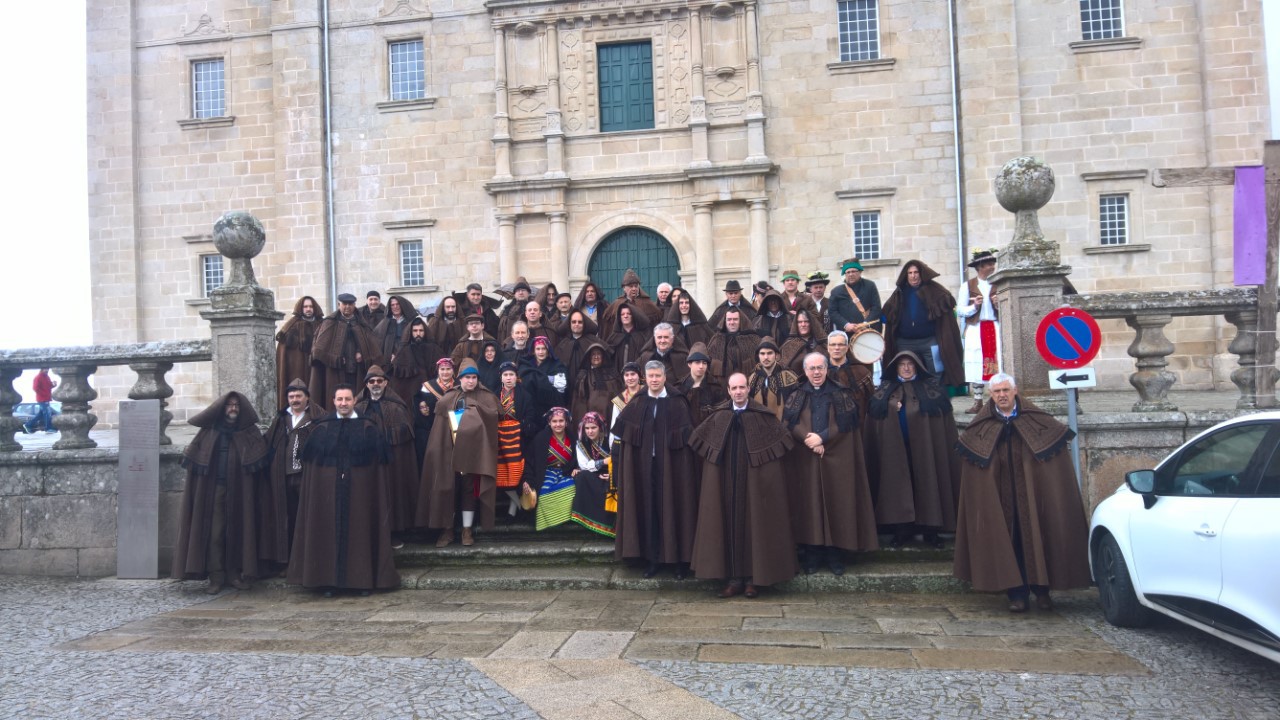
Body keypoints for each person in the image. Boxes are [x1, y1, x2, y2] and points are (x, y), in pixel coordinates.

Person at [952, 373, 1092, 613]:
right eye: (997, 392)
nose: (1002, 395)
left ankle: (1043, 592)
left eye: (1006, 390)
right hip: (1002, 499)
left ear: (1015, 391)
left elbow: (1052, 464)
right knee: (1010, 543)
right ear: (990, 395)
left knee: (1039, 537)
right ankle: (1016, 595)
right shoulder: (981, 426)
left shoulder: (1037, 420)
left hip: (1033, 496)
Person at [689, 372, 797, 598]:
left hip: (752, 484)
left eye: (742, 387)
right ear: (728, 391)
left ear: (748, 389)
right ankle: (733, 579)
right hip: (726, 483)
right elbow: (700, 441)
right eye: (734, 388)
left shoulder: (763, 416)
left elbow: (782, 443)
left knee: (753, 526)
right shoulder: (719, 416)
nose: (738, 392)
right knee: (726, 525)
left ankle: (752, 580)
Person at [288, 384, 399, 596]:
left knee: (360, 533)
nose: (344, 403)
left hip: (360, 496)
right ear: (334, 401)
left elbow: (378, 471)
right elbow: (313, 472)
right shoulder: (322, 429)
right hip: (328, 498)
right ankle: (328, 582)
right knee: (327, 534)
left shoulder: (369, 428)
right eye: (340, 400)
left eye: (347, 399)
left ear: (354, 401)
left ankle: (362, 581)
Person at [784, 353, 879, 575]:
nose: (816, 373)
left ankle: (835, 554)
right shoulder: (797, 394)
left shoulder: (841, 393)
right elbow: (789, 421)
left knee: (836, 504)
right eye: (812, 369)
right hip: (806, 459)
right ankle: (813, 553)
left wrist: (823, 437)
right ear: (805, 371)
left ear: (827, 369)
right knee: (809, 505)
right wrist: (809, 439)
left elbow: (847, 423)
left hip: (835, 458)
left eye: (820, 368)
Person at [172, 392, 269, 593]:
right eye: (229, 405)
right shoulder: (209, 432)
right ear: (223, 408)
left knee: (239, 530)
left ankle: (234, 574)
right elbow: (195, 458)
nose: (233, 408)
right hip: (215, 490)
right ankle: (216, 576)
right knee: (216, 533)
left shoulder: (248, 432)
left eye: (236, 405)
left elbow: (260, 460)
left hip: (241, 491)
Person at [611, 361, 699, 579]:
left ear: (664, 377)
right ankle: (652, 560)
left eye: (658, 376)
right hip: (645, 467)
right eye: (650, 376)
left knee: (676, 510)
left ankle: (679, 562)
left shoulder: (677, 401)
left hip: (673, 470)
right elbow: (625, 439)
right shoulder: (638, 401)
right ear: (645, 378)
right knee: (649, 511)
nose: (654, 380)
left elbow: (688, 442)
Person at [866, 351, 961, 549]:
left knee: (928, 483)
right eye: (902, 364)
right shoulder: (884, 391)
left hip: (927, 450)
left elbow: (943, 425)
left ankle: (931, 532)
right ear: (895, 368)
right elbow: (875, 420)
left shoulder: (933, 390)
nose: (907, 368)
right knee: (898, 487)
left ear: (917, 367)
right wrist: (892, 407)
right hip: (894, 450)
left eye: (910, 364)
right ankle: (901, 530)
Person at [418, 359, 500, 548]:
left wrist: (472, 410)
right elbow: (439, 428)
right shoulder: (449, 397)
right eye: (466, 377)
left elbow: (493, 417)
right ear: (460, 378)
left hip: (475, 455)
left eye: (473, 378)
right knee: (448, 488)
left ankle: (467, 529)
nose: (470, 381)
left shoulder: (486, 396)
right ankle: (447, 529)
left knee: (469, 490)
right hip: (451, 453)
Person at [261, 378, 324, 571]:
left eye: (298, 396)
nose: (295, 400)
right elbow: (268, 444)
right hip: (283, 477)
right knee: (285, 518)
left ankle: (308, 562)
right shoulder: (281, 420)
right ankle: (287, 562)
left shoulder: (317, 418)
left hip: (307, 476)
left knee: (306, 518)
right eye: (291, 396)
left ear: (307, 398)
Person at [356, 366, 418, 547]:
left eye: (379, 381)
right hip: (366, 462)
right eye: (372, 381)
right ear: (366, 384)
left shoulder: (397, 406)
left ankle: (392, 533)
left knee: (391, 495)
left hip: (392, 463)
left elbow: (407, 431)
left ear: (386, 383)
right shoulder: (358, 407)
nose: (375, 384)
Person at [881, 259, 965, 388]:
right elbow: (888, 313)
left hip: (930, 341)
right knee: (906, 372)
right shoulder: (899, 293)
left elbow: (946, 317)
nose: (913, 276)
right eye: (910, 273)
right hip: (905, 342)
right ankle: (910, 403)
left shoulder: (937, 292)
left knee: (936, 371)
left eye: (916, 272)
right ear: (906, 275)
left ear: (922, 273)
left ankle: (936, 403)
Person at [310, 292, 381, 410]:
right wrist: (334, 356)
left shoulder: (361, 323)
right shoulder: (329, 322)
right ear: (339, 304)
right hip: (335, 370)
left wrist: (361, 352)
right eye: (344, 304)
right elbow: (319, 348)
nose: (347, 307)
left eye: (350, 304)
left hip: (357, 370)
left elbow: (370, 345)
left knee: (356, 398)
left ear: (354, 305)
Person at [957, 248, 1002, 413]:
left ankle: (995, 399)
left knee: (997, 362)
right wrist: (974, 305)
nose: (992, 267)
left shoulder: (999, 284)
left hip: (995, 326)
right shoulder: (967, 286)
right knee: (977, 362)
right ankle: (978, 401)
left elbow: (1006, 310)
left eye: (992, 264)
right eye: (989, 264)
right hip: (976, 328)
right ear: (980, 267)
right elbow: (960, 310)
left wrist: (998, 304)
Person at [494, 361, 537, 519]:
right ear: (501, 377)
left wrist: (523, 426)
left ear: (516, 376)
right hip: (499, 440)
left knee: (516, 471)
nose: (509, 378)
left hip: (518, 439)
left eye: (511, 374)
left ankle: (514, 508)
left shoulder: (525, 395)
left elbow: (531, 415)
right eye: (505, 375)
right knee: (502, 472)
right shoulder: (494, 394)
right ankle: (514, 504)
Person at [527, 407, 578, 531]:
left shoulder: (573, 437)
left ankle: (566, 519)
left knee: (572, 488)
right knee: (544, 493)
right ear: (549, 422)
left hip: (567, 471)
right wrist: (527, 479)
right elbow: (530, 461)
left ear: (566, 422)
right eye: (554, 421)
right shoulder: (540, 439)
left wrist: (576, 467)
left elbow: (580, 457)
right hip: (547, 472)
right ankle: (550, 522)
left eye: (561, 421)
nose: (558, 424)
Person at [569, 411, 616, 538]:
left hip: (611, 475)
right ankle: (593, 521)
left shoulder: (610, 441)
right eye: (587, 428)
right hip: (593, 476)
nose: (590, 431)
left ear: (600, 427)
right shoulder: (581, 443)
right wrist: (604, 461)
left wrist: (612, 474)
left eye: (593, 428)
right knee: (582, 476)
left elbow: (617, 461)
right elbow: (585, 465)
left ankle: (609, 526)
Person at [274, 297, 323, 410]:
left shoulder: (322, 325)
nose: (308, 309)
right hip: (296, 371)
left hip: (316, 369)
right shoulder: (291, 326)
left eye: (310, 306)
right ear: (301, 309)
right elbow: (283, 353)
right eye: (305, 307)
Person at [389, 317, 444, 405]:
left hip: (432, 394)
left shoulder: (434, 349)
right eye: (415, 331)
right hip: (411, 395)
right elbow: (397, 381)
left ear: (425, 331)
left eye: (421, 330)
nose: (418, 333)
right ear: (410, 332)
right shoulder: (403, 351)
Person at [828, 258, 881, 339]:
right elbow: (832, 312)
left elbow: (876, 308)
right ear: (845, 274)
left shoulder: (870, 286)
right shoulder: (836, 291)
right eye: (848, 272)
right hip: (846, 334)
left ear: (860, 272)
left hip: (867, 331)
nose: (851, 274)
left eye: (853, 271)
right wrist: (846, 325)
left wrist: (865, 324)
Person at [519, 335, 569, 421]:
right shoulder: (526, 365)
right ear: (533, 351)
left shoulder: (557, 365)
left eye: (543, 349)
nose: (541, 352)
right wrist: (549, 379)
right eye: (538, 349)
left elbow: (562, 385)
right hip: (531, 408)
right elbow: (524, 382)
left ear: (548, 350)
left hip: (549, 408)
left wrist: (534, 379)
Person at [748, 337, 799, 420]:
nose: (766, 357)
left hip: (782, 427)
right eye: (762, 353)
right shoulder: (752, 378)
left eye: (769, 353)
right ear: (758, 356)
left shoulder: (789, 377)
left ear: (777, 355)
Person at [676, 343, 726, 428]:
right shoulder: (680, 387)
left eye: (704, 363)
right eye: (697, 362)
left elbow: (721, 417)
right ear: (689, 364)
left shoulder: (715, 388)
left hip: (708, 436)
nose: (701, 366)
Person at [601, 268, 663, 336]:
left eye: (636, 286)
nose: (634, 289)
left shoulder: (647, 303)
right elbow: (608, 329)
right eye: (631, 286)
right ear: (624, 288)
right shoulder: (617, 304)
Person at [571, 340, 620, 423]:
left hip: (609, 415)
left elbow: (618, 396)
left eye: (598, 354)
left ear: (603, 356)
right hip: (590, 419)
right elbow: (579, 402)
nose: (596, 357)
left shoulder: (612, 375)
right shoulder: (583, 376)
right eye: (593, 354)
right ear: (589, 357)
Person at [705, 306, 759, 382]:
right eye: (729, 319)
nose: (732, 322)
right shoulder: (716, 339)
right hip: (721, 388)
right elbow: (707, 365)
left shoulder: (753, 339)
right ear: (725, 321)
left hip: (746, 386)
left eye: (735, 319)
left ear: (741, 321)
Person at [553, 309, 599, 390]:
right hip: (567, 390)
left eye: (580, 322)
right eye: (574, 322)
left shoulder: (594, 342)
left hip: (589, 388)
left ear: (584, 324)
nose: (576, 324)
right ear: (569, 324)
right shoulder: (562, 345)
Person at [372, 295, 420, 365]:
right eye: (392, 305)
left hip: (409, 359)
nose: (395, 307)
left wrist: (399, 356)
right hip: (389, 361)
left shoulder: (411, 322)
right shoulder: (384, 323)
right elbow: (377, 342)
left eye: (397, 304)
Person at [779, 308, 828, 376]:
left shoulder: (822, 344)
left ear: (811, 323)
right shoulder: (789, 345)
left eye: (806, 321)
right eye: (799, 322)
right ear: (796, 324)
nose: (803, 324)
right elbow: (781, 368)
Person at [606, 303, 651, 374]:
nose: (625, 316)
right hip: (618, 376)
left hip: (638, 375)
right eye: (622, 314)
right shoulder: (614, 336)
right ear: (619, 317)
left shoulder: (642, 336)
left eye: (628, 314)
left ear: (633, 316)